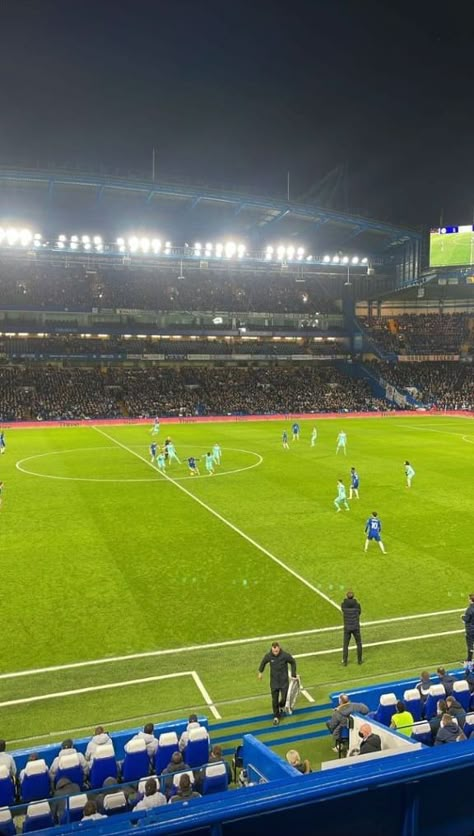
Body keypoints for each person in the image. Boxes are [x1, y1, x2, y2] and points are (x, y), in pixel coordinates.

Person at [258, 642, 297, 726]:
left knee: (284, 698)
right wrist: (260, 672)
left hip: (284, 682)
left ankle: (280, 706)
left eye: (276, 651)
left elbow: (293, 662)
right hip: (274, 682)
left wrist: (293, 674)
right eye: (273, 651)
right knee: (274, 700)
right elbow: (263, 662)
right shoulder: (269, 655)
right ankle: (276, 716)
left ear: (279, 648)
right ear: (272, 649)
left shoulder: (285, 655)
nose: (275, 652)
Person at [341, 590, 363, 666]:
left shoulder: (343, 605)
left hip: (347, 627)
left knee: (345, 645)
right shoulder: (357, 605)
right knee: (359, 644)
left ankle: (345, 662)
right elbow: (359, 612)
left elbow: (343, 610)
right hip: (356, 627)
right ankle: (359, 661)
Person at [462, 593, 474, 662]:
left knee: (470, 645)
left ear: (470, 600)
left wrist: (462, 617)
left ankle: (469, 660)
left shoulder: (469, 609)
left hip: (470, 630)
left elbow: (467, 619)